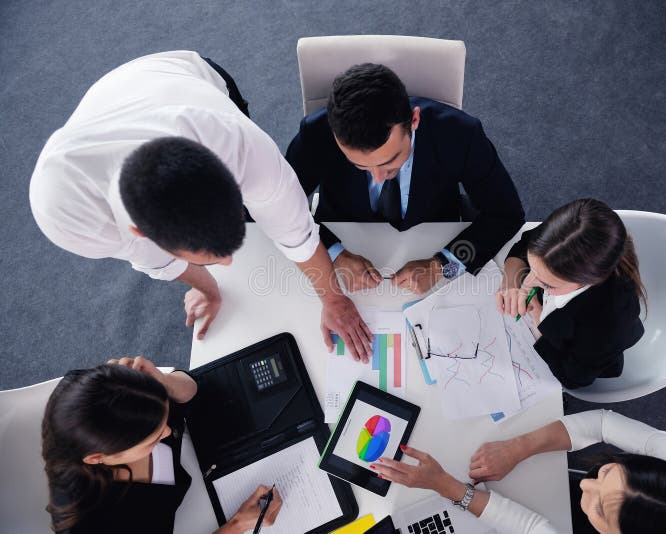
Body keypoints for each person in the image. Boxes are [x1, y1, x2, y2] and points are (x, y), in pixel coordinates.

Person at [29, 50, 373, 363]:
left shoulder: (243, 148)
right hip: (115, 102)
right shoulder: (66, 218)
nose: (228, 262)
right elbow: (152, 258)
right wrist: (206, 288)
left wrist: (332, 299)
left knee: (273, 207)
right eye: (214, 254)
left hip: (182, 75)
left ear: (230, 180)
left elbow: (296, 233)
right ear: (140, 231)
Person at [286, 63, 525, 294]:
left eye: (389, 162)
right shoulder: (316, 134)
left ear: (414, 120)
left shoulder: (462, 135)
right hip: (343, 234)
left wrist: (442, 267)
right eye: (359, 165)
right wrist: (334, 254)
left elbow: (505, 215)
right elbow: (279, 210)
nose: (378, 179)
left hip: (434, 234)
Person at [371, 410, 666, 534]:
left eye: (599, 509)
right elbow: (602, 423)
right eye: (606, 473)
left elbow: (532, 528)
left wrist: (447, 486)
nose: (586, 488)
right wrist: (520, 447)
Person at [41, 356, 283, 533]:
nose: (168, 432)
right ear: (97, 457)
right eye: (154, 438)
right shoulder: (101, 524)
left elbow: (192, 387)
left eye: (164, 420)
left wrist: (164, 382)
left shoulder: (105, 393)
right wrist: (239, 523)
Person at [496, 198, 646, 388]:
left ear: (588, 281)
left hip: (579, 353)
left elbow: (573, 378)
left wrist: (537, 317)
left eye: (547, 284)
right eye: (532, 269)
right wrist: (511, 282)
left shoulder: (610, 321)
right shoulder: (563, 235)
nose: (529, 282)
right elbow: (524, 244)